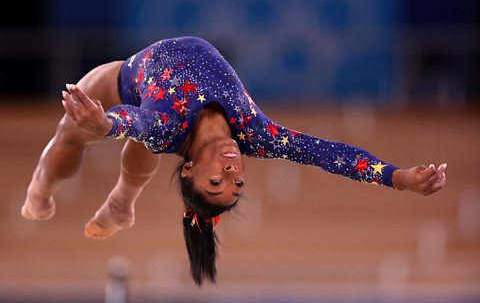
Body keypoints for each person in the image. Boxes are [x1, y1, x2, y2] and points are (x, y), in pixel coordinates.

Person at [21, 36, 447, 286]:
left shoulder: (166, 128)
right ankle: (120, 203)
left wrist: (103, 125)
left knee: (74, 134)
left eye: (215, 185)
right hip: (150, 110)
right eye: (236, 185)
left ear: (189, 170)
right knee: (133, 141)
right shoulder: (255, 134)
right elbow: (327, 154)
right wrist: (396, 177)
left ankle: (44, 191)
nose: (230, 173)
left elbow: (126, 120)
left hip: (130, 76)